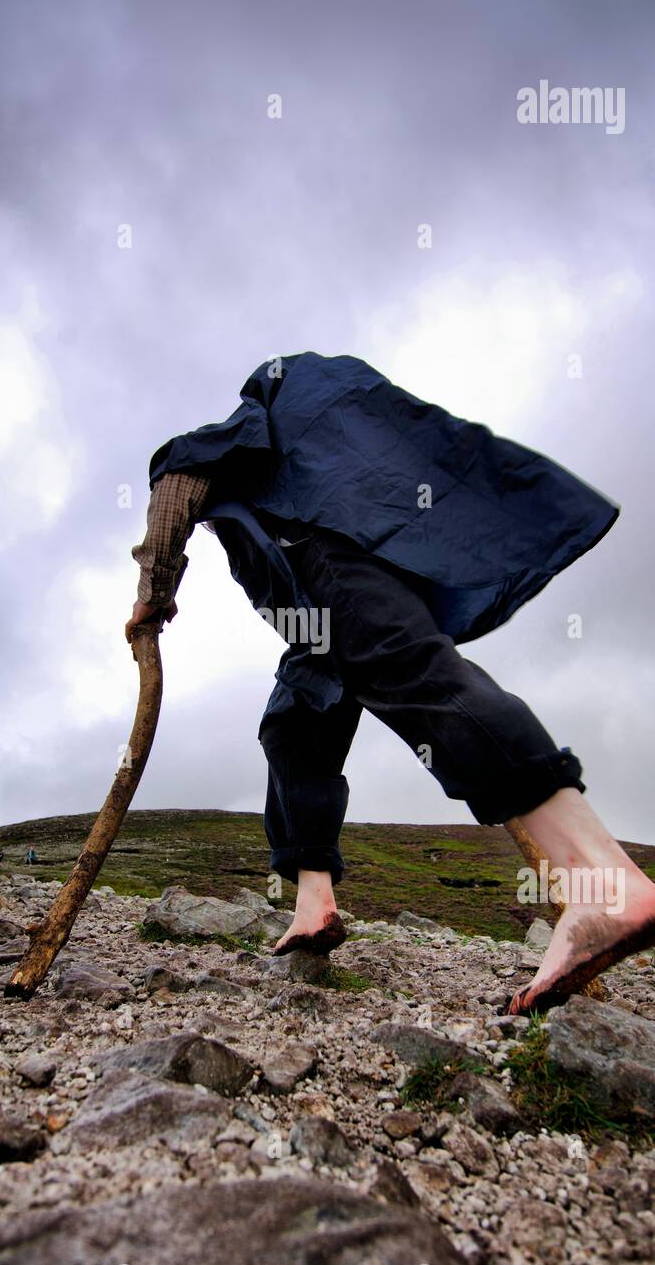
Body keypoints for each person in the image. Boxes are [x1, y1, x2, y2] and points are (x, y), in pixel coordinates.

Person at [125, 351, 655, 1016]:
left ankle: (603, 882)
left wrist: (153, 591)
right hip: (313, 620)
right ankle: (314, 906)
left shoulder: (236, 440)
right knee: (293, 727)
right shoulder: (296, 464)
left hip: (328, 571)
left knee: (420, 677)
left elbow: (176, 481)